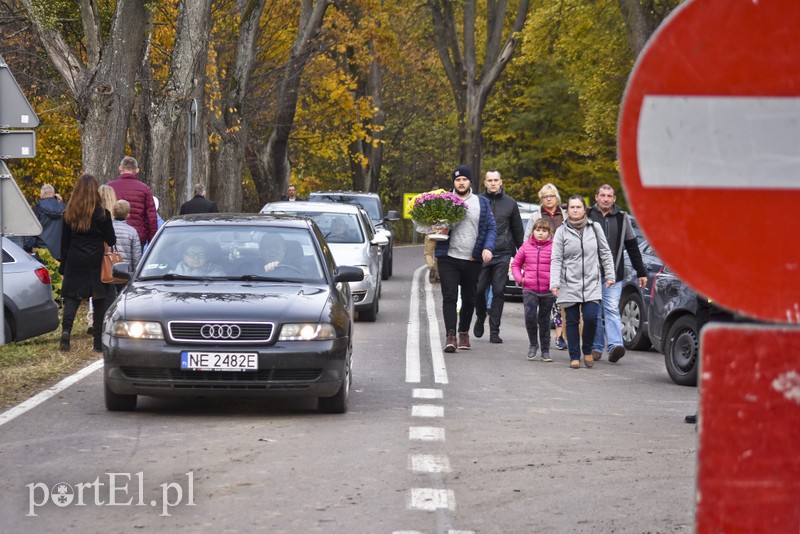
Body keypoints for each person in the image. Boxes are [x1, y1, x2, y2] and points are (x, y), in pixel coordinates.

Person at [435, 165, 496, 353]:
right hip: (449, 257)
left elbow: (491, 228)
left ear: (470, 182)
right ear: (453, 182)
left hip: (472, 258)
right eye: (457, 180)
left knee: (470, 299)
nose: (461, 183)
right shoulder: (444, 200)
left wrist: (487, 247)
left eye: (464, 179)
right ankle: (451, 336)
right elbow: (433, 222)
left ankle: (463, 332)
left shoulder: (482, 203)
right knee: (449, 297)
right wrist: (432, 231)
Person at [550, 195, 615, 369]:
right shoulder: (561, 231)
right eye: (572, 207)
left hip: (591, 282)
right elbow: (556, 259)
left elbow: (605, 252)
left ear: (584, 210)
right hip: (568, 282)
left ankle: (587, 350)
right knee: (571, 320)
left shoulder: (595, 228)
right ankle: (574, 356)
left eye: (579, 207)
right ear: (567, 210)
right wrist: (554, 283)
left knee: (591, 317)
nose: (576, 210)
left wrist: (610, 275)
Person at [588, 184, 647, 363]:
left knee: (612, 308)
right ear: (596, 197)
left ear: (614, 199)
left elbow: (632, 246)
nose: (606, 199)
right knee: (595, 311)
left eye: (609, 196)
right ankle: (597, 347)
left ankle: (614, 346)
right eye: (603, 195)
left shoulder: (623, 218)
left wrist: (641, 271)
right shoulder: (588, 215)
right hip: (591, 274)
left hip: (614, 274)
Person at [58, 174, 117, 352]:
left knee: (71, 299)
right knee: (99, 301)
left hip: (75, 260)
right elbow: (111, 239)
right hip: (96, 261)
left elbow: (64, 243)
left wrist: (63, 266)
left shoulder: (68, 214)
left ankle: (66, 333)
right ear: (95, 192)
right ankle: (98, 343)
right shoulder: (103, 214)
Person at [473, 170, 524, 344]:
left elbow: (518, 231)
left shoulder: (510, 203)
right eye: (490, 180)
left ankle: (495, 330)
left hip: (503, 253)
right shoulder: (478, 201)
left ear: (501, 182)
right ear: (485, 183)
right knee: (478, 290)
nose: (493, 183)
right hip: (481, 254)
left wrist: (521, 256)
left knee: (498, 292)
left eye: (496, 180)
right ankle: (480, 316)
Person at [523, 183, 568, 350]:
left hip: (562, 263)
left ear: (557, 198)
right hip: (541, 263)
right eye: (545, 196)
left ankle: (559, 335)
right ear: (541, 199)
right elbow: (527, 239)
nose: (549, 199)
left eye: (552, 196)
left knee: (559, 302)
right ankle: (541, 339)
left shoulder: (564, 215)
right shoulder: (536, 216)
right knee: (544, 305)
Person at [512, 218, 556, 362]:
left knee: (544, 320)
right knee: (530, 316)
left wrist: (555, 283)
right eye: (538, 230)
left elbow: (558, 265)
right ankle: (533, 344)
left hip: (547, 290)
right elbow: (515, 265)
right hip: (529, 288)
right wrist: (520, 279)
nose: (541, 233)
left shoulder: (554, 247)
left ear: (549, 233)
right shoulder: (526, 246)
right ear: (533, 231)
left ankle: (545, 350)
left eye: (544, 231)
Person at [107, 156, 158, 248]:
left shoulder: (109, 187)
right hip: (137, 235)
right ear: (137, 170)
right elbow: (151, 217)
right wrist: (152, 241)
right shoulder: (144, 189)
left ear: (120, 168)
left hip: (112, 234)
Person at [25, 184, 66, 260]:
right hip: (61, 252)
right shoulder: (64, 208)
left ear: (41, 195)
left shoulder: (37, 208)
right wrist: (61, 204)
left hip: (43, 253)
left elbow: (31, 232)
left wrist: (28, 248)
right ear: (54, 194)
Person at [112, 199, 142, 274]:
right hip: (126, 271)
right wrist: (136, 273)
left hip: (109, 268)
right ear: (128, 215)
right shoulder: (132, 232)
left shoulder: (107, 228)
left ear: (113, 213)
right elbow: (136, 256)